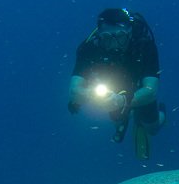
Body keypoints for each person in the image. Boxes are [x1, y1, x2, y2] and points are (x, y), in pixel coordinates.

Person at [67, 8, 165, 160]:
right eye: (107, 38)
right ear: (99, 36)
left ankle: (160, 114)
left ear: (130, 31)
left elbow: (151, 90)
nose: (114, 44)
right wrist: (93, 96)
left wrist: (123, 101)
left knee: (152, 127)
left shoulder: (145, 46)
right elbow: (74, 90)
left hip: (140, 90)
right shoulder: (88, 48)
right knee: (117, 118)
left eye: (120, 36)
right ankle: (128, 115)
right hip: (112, 89)